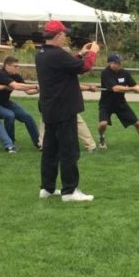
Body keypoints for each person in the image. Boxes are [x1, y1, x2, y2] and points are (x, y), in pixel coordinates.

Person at [35, 20, 99, 202]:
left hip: (50, 109)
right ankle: (70, 191)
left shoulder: (41, 54)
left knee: (50, 151)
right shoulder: (57, 54)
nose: (65, 37)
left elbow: (67, 65)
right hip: (64, 109)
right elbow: (84, 68)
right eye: (64, 34)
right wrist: (92, 53)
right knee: (69, 151)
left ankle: (47, 188)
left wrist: (80, 53)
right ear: (58, 36)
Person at [97, 53, 139, 149]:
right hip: (106, 104)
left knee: (138, 124)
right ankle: (101, 137)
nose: (119, 64)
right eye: (116, 63)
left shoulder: (125, 73)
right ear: (110, 63)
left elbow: (135, 86)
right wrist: (131, 89)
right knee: (103, 124)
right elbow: (115, 88)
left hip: (120, 103)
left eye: (120, 62)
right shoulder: (105, 73)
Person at [0, 56, 41, 149]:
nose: (17, 68)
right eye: (15, 66)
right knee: (10, 115)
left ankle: (38, 142)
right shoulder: (1, 74)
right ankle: (10, 143)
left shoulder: (16, 76)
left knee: (28, 117)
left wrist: (41, 89)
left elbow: (28, 92)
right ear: (7, 65)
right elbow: (16, 86)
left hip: (6, 103)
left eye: (18, 66)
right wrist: (35, 86)